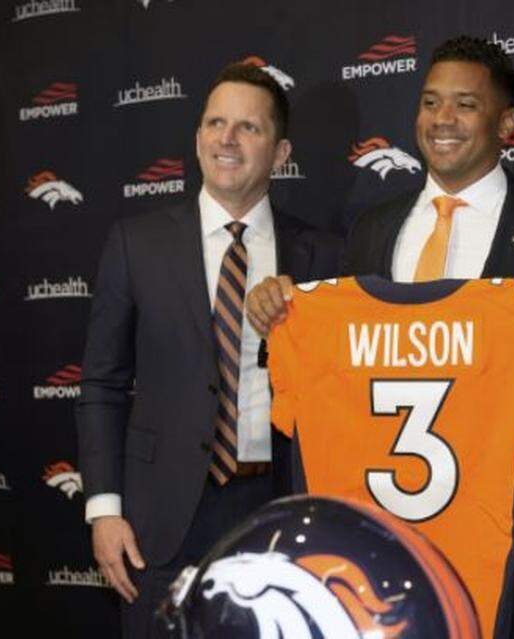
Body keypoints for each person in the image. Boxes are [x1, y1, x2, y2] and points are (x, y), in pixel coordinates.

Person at [245, 36, 514, 639]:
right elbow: (337, 382)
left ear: (506, 123)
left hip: (505, 547)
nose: (441, 121)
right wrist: (280, 321)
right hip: (380, 549)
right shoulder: (371, 229)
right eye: (430, 103)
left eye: (464, 105)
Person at [76, 61, 341, 637]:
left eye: (248, 127)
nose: (227, 138)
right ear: (197, 139)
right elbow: (101, 384)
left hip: (279, 511)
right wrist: (105, 511)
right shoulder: (135, 243)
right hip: (158, 522)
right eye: (215, 123)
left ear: (280, 152)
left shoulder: (323, 257)